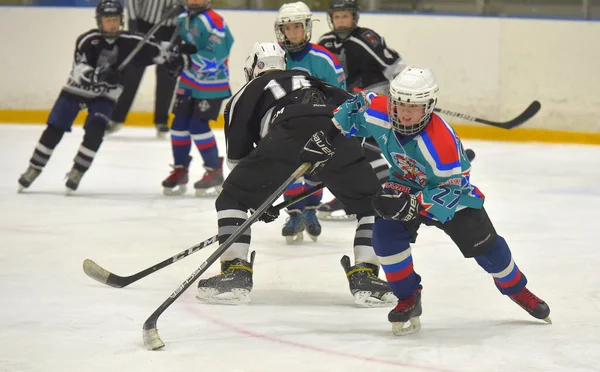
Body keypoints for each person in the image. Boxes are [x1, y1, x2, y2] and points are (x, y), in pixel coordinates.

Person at [299, 66, 551, 335]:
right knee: (385, 233)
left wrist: (414, 205)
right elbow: (355, 106)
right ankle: (408, 297)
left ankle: (517, 290)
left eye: (414, 107)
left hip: (450, 195)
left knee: (488, 250)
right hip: (405, 183)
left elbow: (451, 190)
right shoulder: (380, 110)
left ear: (429, 106)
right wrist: (327, 135)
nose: (405, 113)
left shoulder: (440, 147)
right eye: (400, 105)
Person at [195, 42, 394, 308]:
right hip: (333, 134)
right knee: (372, 205)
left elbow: (237, 160)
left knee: (231, 199)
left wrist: (258, 195)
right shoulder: (316, 82)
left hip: (287, 132)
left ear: (253, 67)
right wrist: (339, 163)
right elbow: (355, 113)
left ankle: (235, 274)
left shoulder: (248, 90)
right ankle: (366, 276)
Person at [17, 0, 181, 194]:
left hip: (105, 96)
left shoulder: (131, 41)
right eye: (107, 19)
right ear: (99, 21)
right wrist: (100, 75)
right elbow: (79, 69)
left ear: (121, 21)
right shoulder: (87, 40)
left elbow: (159, 51)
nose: (111, 23)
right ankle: (34, 167)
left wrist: (175, 56)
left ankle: (78, 170)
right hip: (76, 91)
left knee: (96, 130)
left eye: (115, 19)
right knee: (55, 128)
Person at [316, 0, 407, 220]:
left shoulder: (365, 39)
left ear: (354, 18)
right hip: (344, 103)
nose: (341, 21)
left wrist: (405, 93)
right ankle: (352, 195)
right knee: (345, 150)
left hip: (373, 101)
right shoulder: (325, 42)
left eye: (345, 16)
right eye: (337, 17)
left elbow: (395, 66)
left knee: (364, 149)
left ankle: (387, 195)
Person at [274, 1, 347, 243]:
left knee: (316, 171)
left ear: (306, 27)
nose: (293, 33)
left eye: (297, 27)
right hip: (287, 125)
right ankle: (295, 213)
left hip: (319, 125)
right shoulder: (275, 57)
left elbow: (339, 95)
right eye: (288, 28)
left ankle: (311, 211)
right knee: (290, 171)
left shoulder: (323, 59)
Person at [160, 0, 234, 197]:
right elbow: (179, 46)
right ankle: (180, 169)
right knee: (178, 125)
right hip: (188, 81)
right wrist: (172, 57)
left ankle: (214, 170)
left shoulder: (214, 20)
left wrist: (186, 59)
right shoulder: (183, 18)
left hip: (212, 82)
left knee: (197, 126)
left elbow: (219, 52)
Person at [106, 0, 182, 138]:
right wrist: (134, 21)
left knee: (167, 77)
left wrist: (184, 9)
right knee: (131, 74)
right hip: (144, 25)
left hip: (172, 29)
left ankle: (161, 121)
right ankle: (117, 118)